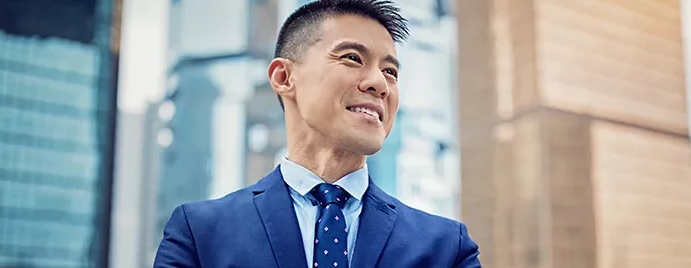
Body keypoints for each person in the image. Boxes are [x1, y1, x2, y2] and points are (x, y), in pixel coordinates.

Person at [153, 0, 481, 267]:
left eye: (390, 71)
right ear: (284, 77)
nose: (380, 84)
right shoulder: (200, 235)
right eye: (353, 58)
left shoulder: (446, 248)